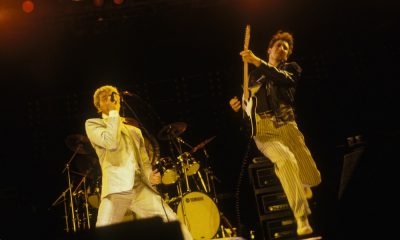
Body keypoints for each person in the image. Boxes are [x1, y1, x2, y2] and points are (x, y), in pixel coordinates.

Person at [229, 30, 321, 236]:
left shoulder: (291, 68)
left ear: (287, 54)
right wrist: (239, 107)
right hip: (264, 130)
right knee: (285, 160)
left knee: (313, 177)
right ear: (269, 49)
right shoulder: (253, 75)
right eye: (278, 45)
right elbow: (249, 111)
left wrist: (258, 61)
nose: (281, 49)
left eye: (285, 47)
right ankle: (302, 217)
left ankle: (301, 181)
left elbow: (283, 79)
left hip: (287, 125)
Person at [85, 85, 193, 240]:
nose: (111, 98)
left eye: (113, 95)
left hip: (140, 187)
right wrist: (113, 112)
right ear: (98, 106)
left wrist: (150, 176)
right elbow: (111, 143)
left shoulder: (134, 129)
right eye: (105, 97)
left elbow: (144, 161)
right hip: (116, 189)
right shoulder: (93, 124)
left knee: (171, 222)